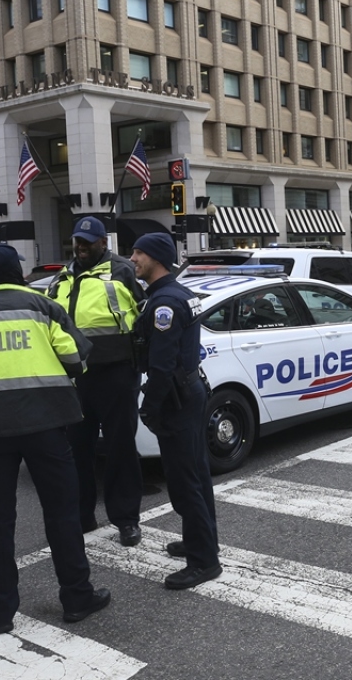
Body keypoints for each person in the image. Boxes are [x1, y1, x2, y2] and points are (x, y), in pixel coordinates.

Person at [0, 243, 110, 634]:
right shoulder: (46, 308)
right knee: (63, 515)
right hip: (47, 428)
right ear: (20, 272)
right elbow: (76, 360)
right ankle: (77, 597)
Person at [130, 233, 222, 590]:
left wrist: (149, 409)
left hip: (176, 399)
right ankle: (201, 541)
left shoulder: (165, 302)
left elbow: (162, 365)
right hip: (190, 392)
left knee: (185, 482)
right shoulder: (175, 293)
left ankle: (203, 562)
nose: (133, 257)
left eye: (139, 252)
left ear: (157, 258)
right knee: (196, 475)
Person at [48, 216, 145, 546]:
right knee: (77, 451)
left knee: (120, 449)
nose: (81, 246)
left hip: (117, 374)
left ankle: (126, 520)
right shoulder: (62, 278)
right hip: (76, 379)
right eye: (78, 241)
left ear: (104, 243)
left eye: (88, 241)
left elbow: (146, 316)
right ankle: (82, 516)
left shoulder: (123, 271)